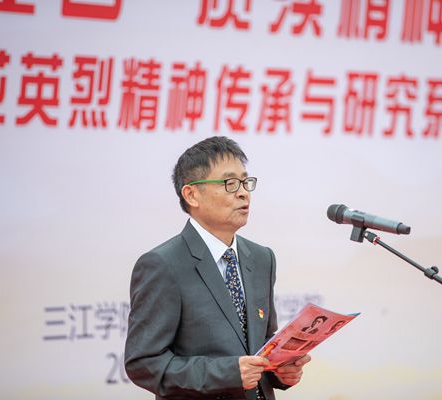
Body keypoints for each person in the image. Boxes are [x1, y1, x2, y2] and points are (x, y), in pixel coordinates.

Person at [125, 136, 310, 400]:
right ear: (192, 194)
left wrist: (280, 371)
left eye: (245, 182)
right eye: (229, 183)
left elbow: (260, 343)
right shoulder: (163, 265)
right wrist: (226, 373)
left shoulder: (261, 258)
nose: (243, 193)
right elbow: (144, 363)